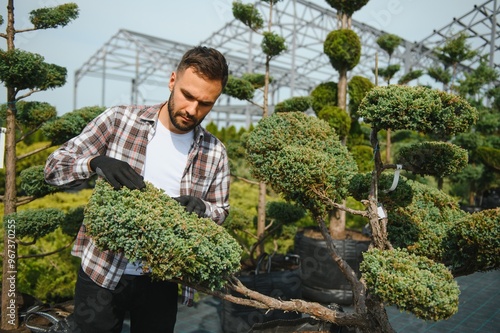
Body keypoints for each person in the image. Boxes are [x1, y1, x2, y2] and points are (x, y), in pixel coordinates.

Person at [44, 46, 230, 333]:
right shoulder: (121, 120)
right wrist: (95, 162)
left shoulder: (214, 152)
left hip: (162, 277)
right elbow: (54, 168)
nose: (193, 110)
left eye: (205, 103)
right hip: (102, 273)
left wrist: (203, 209)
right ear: (172, 81)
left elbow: (221, 210)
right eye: (188, 96)